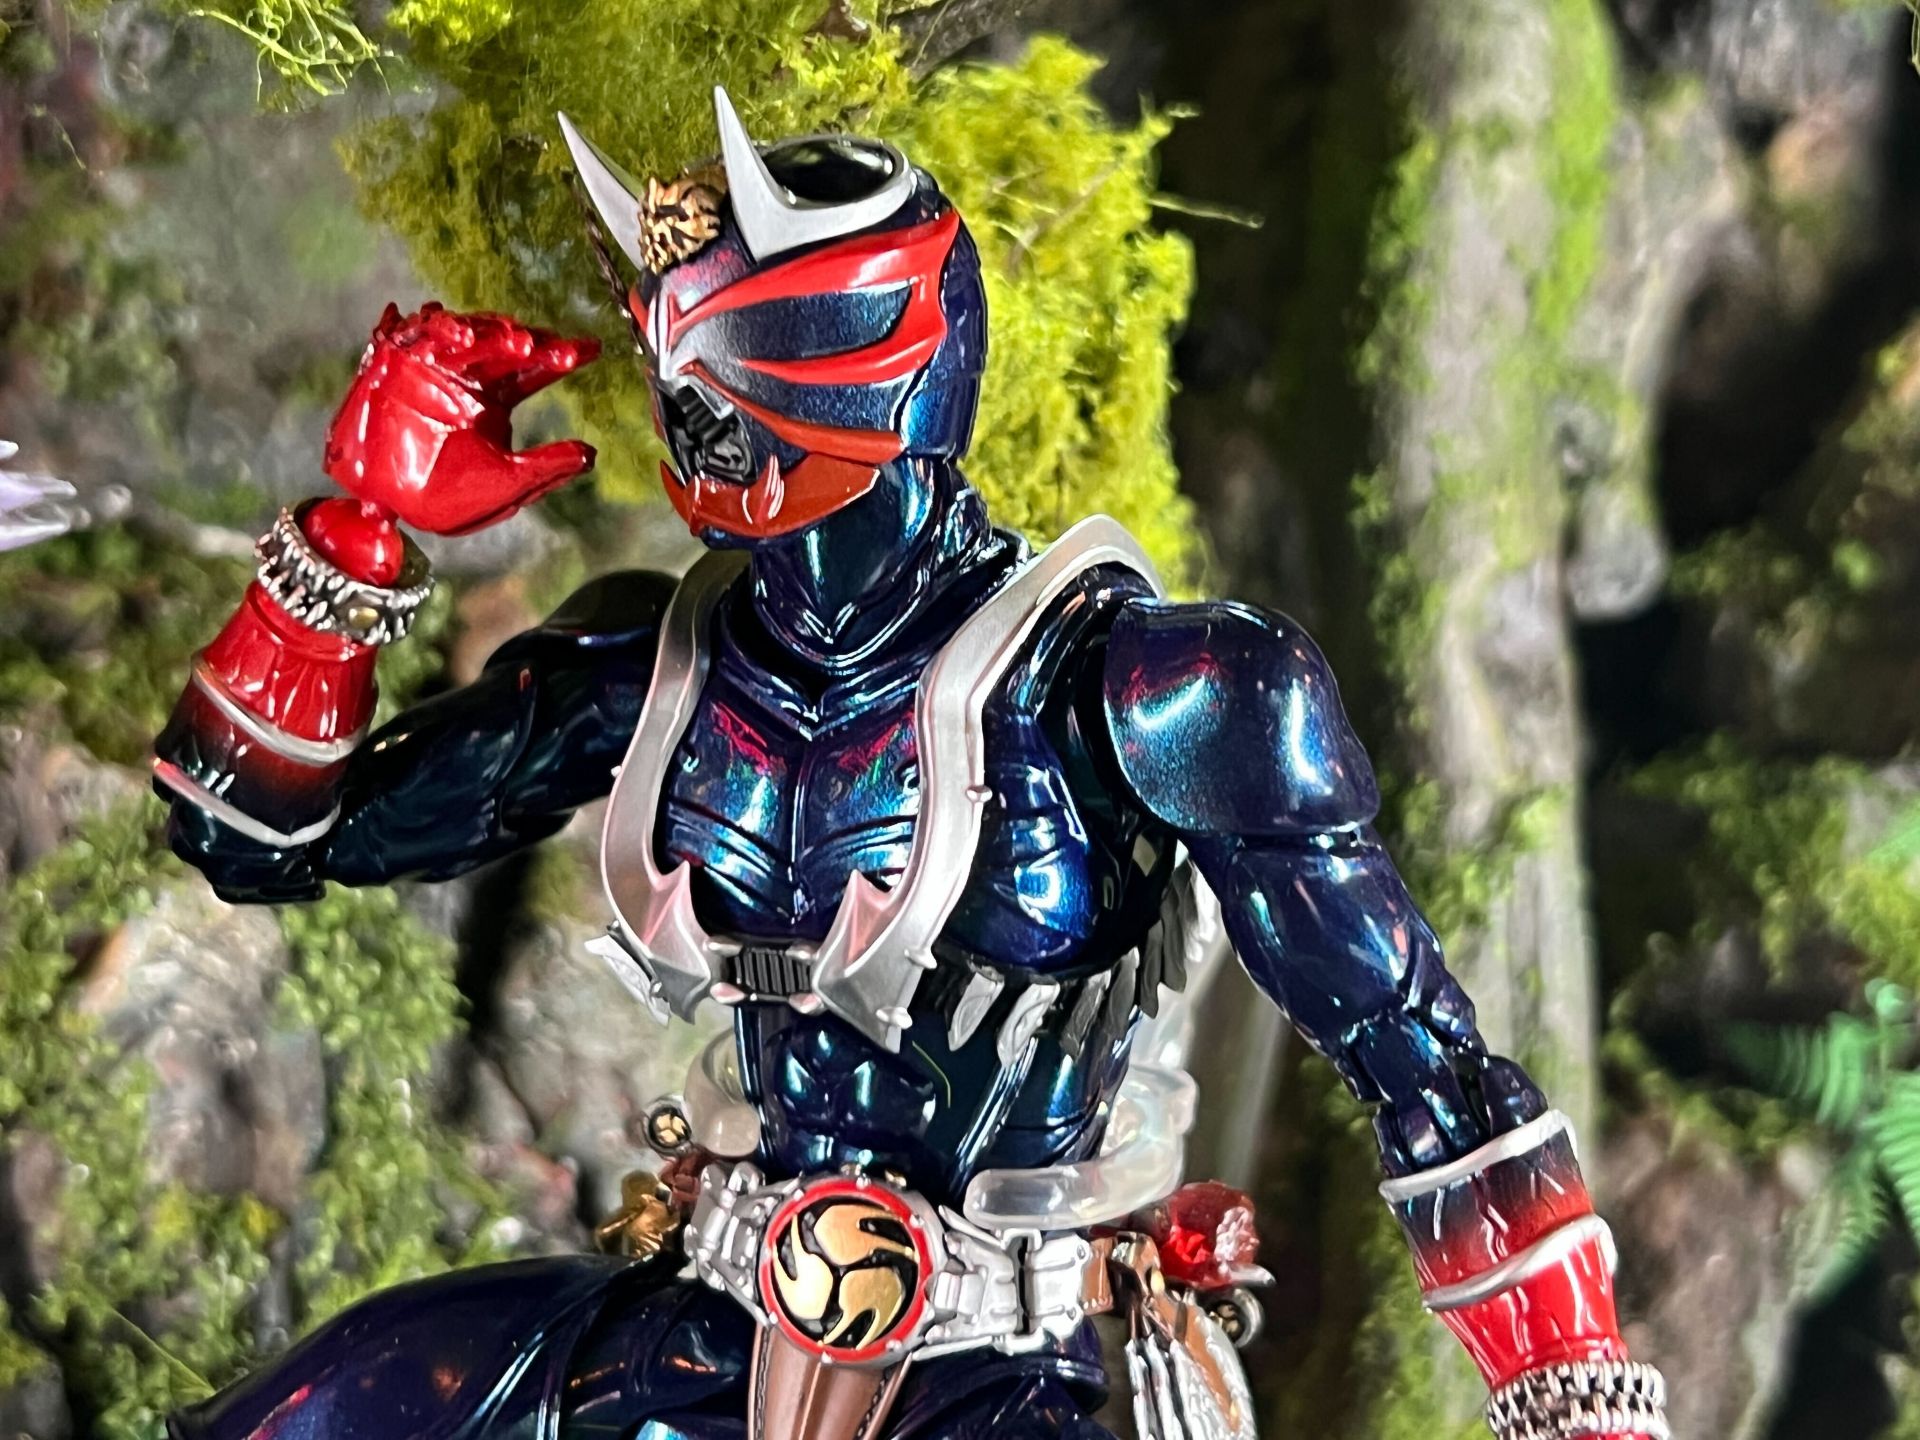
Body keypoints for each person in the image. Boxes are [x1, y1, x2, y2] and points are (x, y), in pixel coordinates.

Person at [150, 89, 1667, 1440]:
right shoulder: (653, 667)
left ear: (856, 364)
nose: (685, 420)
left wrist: (1575, 1396)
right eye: (675, 368)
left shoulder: (1154, 691)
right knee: (328, 1407)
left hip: (1011, 1359)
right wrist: (355, 536)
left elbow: (1424, 1064)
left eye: (716, 380)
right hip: (712, 1325)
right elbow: (261, 842)